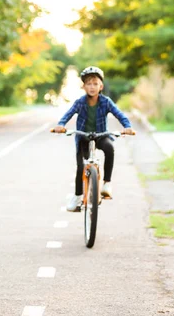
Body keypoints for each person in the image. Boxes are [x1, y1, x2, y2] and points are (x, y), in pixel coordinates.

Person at [53, 66, 134, 212]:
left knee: (110, 147)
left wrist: (127, 126)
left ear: (101, 86)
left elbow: (120, 115)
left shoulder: (106, 102)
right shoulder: (80, 102)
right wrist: (61, 124)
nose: (92, 87)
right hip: (83, 137)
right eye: (88, 84)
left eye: (95, 84)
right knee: (81, 166)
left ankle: (107, 183)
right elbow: (68, 114)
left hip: (100, 135)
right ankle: (78, 196)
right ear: (83, 86)